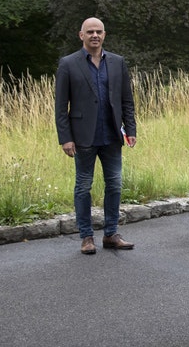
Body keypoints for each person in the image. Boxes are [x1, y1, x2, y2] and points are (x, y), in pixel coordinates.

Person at [54, 17, 137, 255]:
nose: (94, 35)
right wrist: (65, 138)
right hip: (82, 137)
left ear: (104, 34)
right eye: (90, 31)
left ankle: (111, 233)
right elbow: (61, 106)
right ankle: (86, 236)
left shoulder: (118, 62)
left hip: (112, 135)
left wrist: (130, 130)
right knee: (83, 186)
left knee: (115, 184)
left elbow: (127, 101)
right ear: (81, 35)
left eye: (98, 31)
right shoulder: (68, 64)